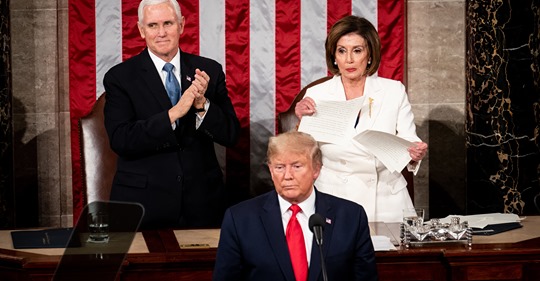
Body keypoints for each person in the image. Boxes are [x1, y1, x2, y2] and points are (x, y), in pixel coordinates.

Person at [103, 0, 240, 229]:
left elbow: (231, 134)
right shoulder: (120, 77)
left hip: (203, 202)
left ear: (181, 25)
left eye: (168, 23)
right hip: (143, 204)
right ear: (141, 30)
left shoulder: (208, 71)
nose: (161, 32)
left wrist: (201, 105)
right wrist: (174, 113)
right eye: (153, 25)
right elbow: (121, 139)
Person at [294, 15, 428, 223]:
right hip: (334, 198)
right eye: (342, 51)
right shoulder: (316, 94)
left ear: (370, 55)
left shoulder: (393, 91)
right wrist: (300, 121)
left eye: (357, 50)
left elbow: (409, 143)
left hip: (386, 200)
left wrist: (414, 154)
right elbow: (301, 154)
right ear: (334, 56)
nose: (349, 59)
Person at [213, 131, 378, 281]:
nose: (287, 176)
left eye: (296, 166)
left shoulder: (350, 217)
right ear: (270, 170)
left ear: (316, 169)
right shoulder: (240, 219)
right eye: (279, 167)